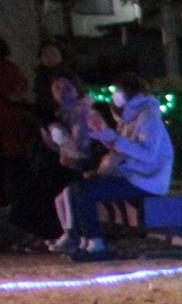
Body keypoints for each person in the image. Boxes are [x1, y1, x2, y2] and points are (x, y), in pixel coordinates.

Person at [51, 74, 175, 261]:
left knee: (85, 191)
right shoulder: (129, 119)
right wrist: (104, 136)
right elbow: (124, 148)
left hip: (147, 180)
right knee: (78, 188)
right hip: (132, 176)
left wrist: (113, 138)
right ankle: (84, 241)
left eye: (116, 92)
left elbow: (148, 154)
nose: (113, 97)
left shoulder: (147, 116)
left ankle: (95, 244)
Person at [4, 70, 92, 246]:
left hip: (80, 166)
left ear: (77, 89)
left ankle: (55, 233)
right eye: (57, 88)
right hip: (63, 163)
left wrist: (57, 131)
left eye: (67, 87)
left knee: (44, 187)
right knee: (29, 187)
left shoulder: (81, 111)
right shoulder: (60, 113)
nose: (62, 91)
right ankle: (45, 233)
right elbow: (54, 146)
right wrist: (49, 129)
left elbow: (80, 148)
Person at [0, 38, 35, 210]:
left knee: (13, 165)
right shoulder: (12, 69)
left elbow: (18, 94)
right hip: (11, 124)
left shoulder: (10, 70)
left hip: (10, 123)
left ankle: (15, 202)